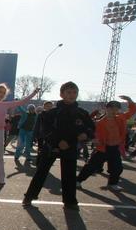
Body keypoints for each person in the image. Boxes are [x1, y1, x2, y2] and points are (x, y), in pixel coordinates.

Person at [22, 81, 95, 210]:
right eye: (68, 92)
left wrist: (86, 135)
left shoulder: (82, 113)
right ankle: (29, 196)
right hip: (52, 146)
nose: (72, 95)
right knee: (41, 172)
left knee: (69, 175)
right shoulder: (51, 113)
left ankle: (70, 201)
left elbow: (91, 128)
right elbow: (45, 130)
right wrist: (58, 141)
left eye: (74, 92)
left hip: (71, 146)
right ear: (61, 94)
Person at [77, 95, 136, 191]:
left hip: (114, 148)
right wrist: (94, 140)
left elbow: (132, 111)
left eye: (116, 108)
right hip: (103, 148)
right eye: (111, 108)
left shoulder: (121, 118)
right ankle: (78, 181)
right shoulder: (100, 122)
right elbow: (92, 132)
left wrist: (129, 100)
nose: (114, 110)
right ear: (106, 109)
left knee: (117, 168)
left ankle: (112, 184)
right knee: (91, 167)